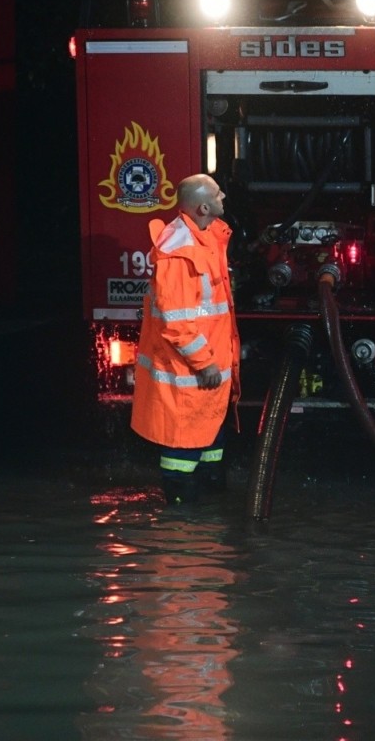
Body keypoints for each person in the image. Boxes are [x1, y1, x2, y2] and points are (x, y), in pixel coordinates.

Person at [130, 174, 240, 504]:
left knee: (207, 445)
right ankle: (180, 528)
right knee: (182, 452)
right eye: (219, 194)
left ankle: (207, 515)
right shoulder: (180, 255)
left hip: (206, 374)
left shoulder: (205, 237)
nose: (225, 197)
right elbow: (176, 323)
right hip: (190, 373)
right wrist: (205, 363)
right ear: (203, 207)